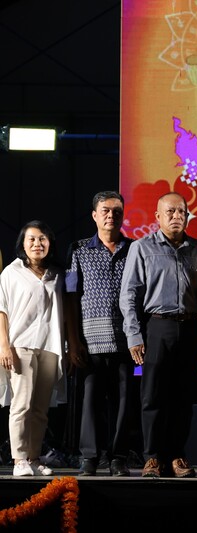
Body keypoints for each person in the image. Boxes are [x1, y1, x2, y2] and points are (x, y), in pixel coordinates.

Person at [119, 192, 197, 478]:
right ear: (158, 216)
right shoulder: (142, 247)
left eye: (181, 212)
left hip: (191, 328)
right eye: (170, 212)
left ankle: (177, 456)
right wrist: (133, 335)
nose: (176, 216)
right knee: (153, 396)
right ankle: (152, 457)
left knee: (184, 397)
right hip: (157, 327)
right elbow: (129, 294)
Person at [65, 191, 135, 477]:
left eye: (117, 211)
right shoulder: (79, 250)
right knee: (90, 401)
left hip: (126, 339)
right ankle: (90, 458)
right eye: (105, 210)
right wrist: (74, 341)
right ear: (94, 215)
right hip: (90, 341)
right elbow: (71, 297)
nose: (111, 216)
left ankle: (118, 458)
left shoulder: (134, 249)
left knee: (123, 401)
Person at [0, 221, 68, 477]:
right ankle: (19, 459)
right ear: (23, 243)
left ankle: (34, 457)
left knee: (41, 408)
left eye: (42, 239)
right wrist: (4, 346)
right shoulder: (11, 272)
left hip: (50, 345)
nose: (37, 244)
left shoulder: (56, 274)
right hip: (21, 345)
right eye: (32, 239)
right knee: (22, 404)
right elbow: (2, 310)